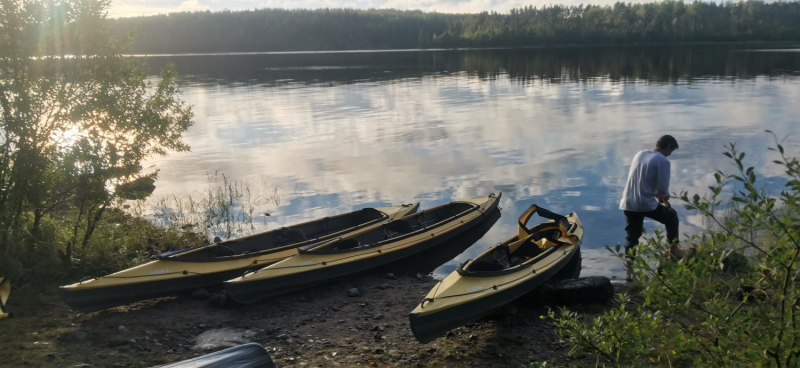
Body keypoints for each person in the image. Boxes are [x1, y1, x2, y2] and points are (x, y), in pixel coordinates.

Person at [619, 135, 679, 281]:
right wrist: (664, 197)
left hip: (628, 202)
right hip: (645, 204)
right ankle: (674, 252)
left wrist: (657, 194)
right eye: (671, 151)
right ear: (668, 146)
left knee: (631, 238)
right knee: (672, 217)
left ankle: (629, 272)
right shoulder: (663, 160)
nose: (670, 154)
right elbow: (662, 189)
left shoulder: (640, 154)